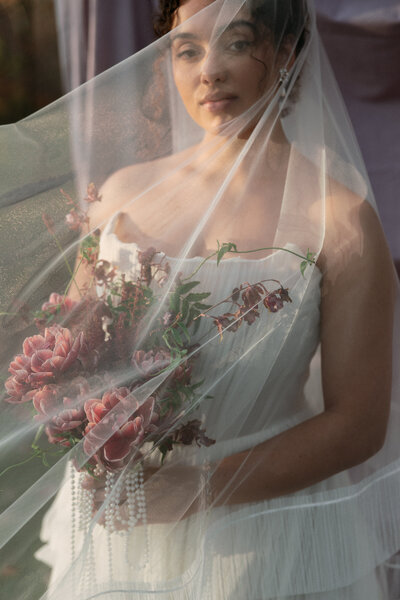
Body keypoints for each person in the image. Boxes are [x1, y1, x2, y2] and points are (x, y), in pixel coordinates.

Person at [1, 1, 400, 599]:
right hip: (123, 524)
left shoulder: (341, 223)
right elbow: (76, 350)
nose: (208, 69)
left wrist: (202, 485)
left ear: (286, 55)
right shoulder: (123, 195)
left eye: (236, 43)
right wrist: (77, 410)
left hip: (268, 541)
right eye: (188, 50)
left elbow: (358, 425)